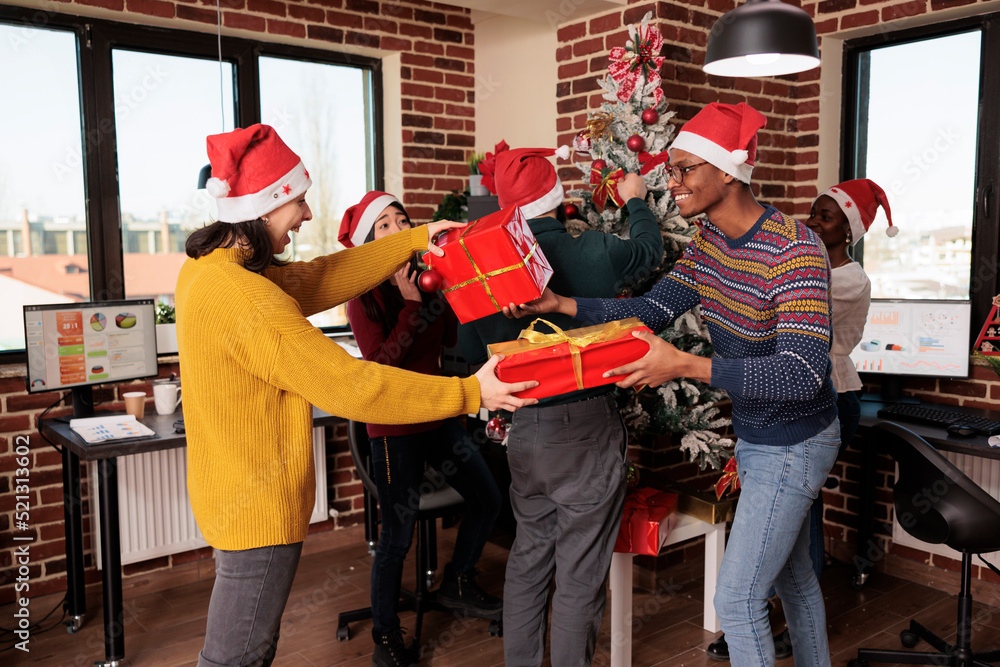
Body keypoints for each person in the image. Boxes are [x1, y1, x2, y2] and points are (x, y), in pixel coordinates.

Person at [176, 124, 537, 667]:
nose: (307, 215)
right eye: (298, 201)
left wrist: (416, 238)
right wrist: (470, 392)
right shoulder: (248, 300)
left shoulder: (208, 272)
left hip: (231, 495)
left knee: (248, 651)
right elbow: (353, 386)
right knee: (236, 658)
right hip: (256, 508)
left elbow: (321, 277)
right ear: (266, 206)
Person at [507, 102, 840, 667]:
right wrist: (562, 303)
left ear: (729, 172)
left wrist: (685, 365)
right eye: (671, 169)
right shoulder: (710, 243)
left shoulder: (795, 250)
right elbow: (650, 309)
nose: (671, 180)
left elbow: (803, 373)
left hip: (796, 444)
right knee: (795, 581)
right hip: (759, 438)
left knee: (735, 601)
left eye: (684, 169)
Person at [459, 145, 664, 667]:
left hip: (525, 428)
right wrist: (635, 200)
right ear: (559, 199)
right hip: (589, 427)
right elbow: (649, 250)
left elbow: (467, 356)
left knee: (529, 559)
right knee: (579, 573)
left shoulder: (486, 276)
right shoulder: (594, 249)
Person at [341, 191, 504, 667]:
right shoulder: (362, 298)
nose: (396, 231)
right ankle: (385, 638)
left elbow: (447, 342)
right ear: (370, 241)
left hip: (437, 413)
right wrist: (413, 304)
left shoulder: (421, 280)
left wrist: (445, 290)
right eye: (384, 226)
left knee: (487, 498)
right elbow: (380, 366)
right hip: (393, 428)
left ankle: (457, 579)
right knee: (397, 535)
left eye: (401, 221)